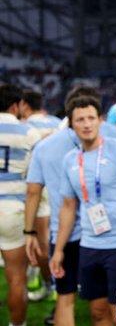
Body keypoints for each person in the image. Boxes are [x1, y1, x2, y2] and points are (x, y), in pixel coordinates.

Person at [24, 86, 116, 325]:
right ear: (72, 123)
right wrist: (58, 250)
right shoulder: (71, 160)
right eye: (80, 119)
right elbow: (68, 207)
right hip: (91, 245)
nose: (87, 124)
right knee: (98, 312)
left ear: (100, 120)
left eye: (91, 118)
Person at [0, 83, 41, 326]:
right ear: (16, 105)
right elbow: (34, 180)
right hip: (12, 210)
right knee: (17, 278)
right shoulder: (28, 133)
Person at [19, 88, 58, 302]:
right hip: (57, 187)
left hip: (34, 188)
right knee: (55, 238)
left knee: (35, 240)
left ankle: (49, 284)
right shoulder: (55, 122)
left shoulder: (24, 127)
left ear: (24, 105)